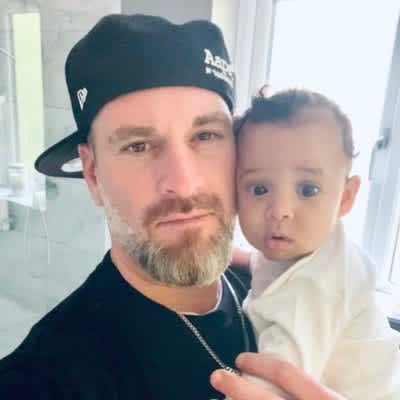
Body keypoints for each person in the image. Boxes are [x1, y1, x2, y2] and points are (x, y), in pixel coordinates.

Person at [0, 13, 347, 400]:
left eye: (206, 135)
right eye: (138, 146)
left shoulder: (280, 282)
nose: (183, 183)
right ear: (93, 173)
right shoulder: (42, 379)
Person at [233, 88, 400, 399]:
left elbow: (276, 377)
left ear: (345, 198)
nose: (280, 210)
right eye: (259, 189)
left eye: (307, 190)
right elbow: (271, 268)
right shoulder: (308, 248)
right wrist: (239, 257)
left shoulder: (317, 286)